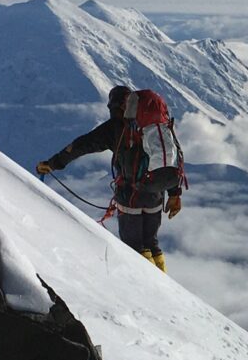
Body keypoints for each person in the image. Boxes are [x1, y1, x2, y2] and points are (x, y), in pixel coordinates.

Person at [37, 85, 184, 271]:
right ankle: (163, 283)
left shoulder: (114, 127)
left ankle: (144, 291)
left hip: (129, 197)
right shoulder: (155, 126)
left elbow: (80, 145)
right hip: (155, 193)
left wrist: (52, 163)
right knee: (152, 245)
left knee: (135, 249)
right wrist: (174, 193)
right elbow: (168, 159)